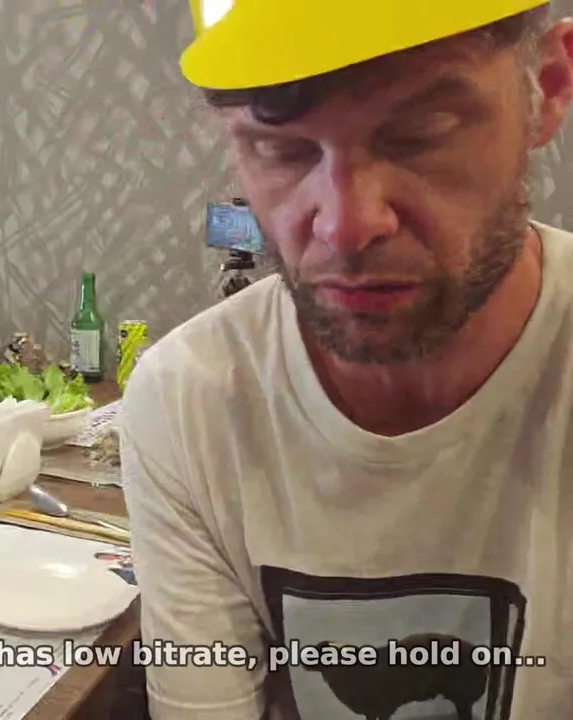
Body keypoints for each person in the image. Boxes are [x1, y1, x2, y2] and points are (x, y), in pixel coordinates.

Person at [121, 2, 573, 718]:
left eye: (420, 135)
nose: (346, 224)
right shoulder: (189, 399)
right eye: (282, 150)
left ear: (547, 87)